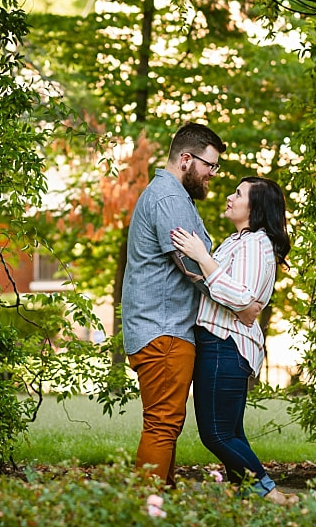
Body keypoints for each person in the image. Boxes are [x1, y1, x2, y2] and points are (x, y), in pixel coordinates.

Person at [121, 122, 260, 487]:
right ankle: (144, 508)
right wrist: (241, 305)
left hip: (162, 327)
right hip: (163, 329)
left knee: (165, 422)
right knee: (163, 422)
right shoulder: (169, 199)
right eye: (209, 165)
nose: (213, 175)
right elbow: (192, 266)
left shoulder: (171, 195)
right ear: (186, 159)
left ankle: (160, 501)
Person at [170, 176, 292, 504]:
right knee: (232, 432)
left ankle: (269, 493)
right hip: (222, 342)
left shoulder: (255, 243)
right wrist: (244, 302)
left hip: (226, 343)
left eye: (238, 194)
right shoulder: (238, 241)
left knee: (216, 434)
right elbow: (233, 295)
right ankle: (246, 496)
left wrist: (201, 255)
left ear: (255, 207)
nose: (229, 197)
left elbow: (241, 295)